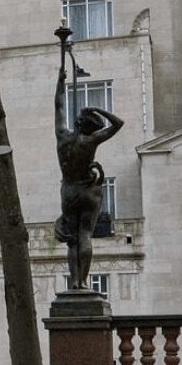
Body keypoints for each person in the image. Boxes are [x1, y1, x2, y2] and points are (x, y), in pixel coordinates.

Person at [54, 38, 122, 292]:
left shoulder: (63, 136)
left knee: (72, 241)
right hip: (89, 191)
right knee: (84, 235)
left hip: (69, 190)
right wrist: (99, 109)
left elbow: (59, 105)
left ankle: (74, 282)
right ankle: (84, 281)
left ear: (79, 122)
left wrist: (60, 83)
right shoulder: (91, 141)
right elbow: (118, 124)